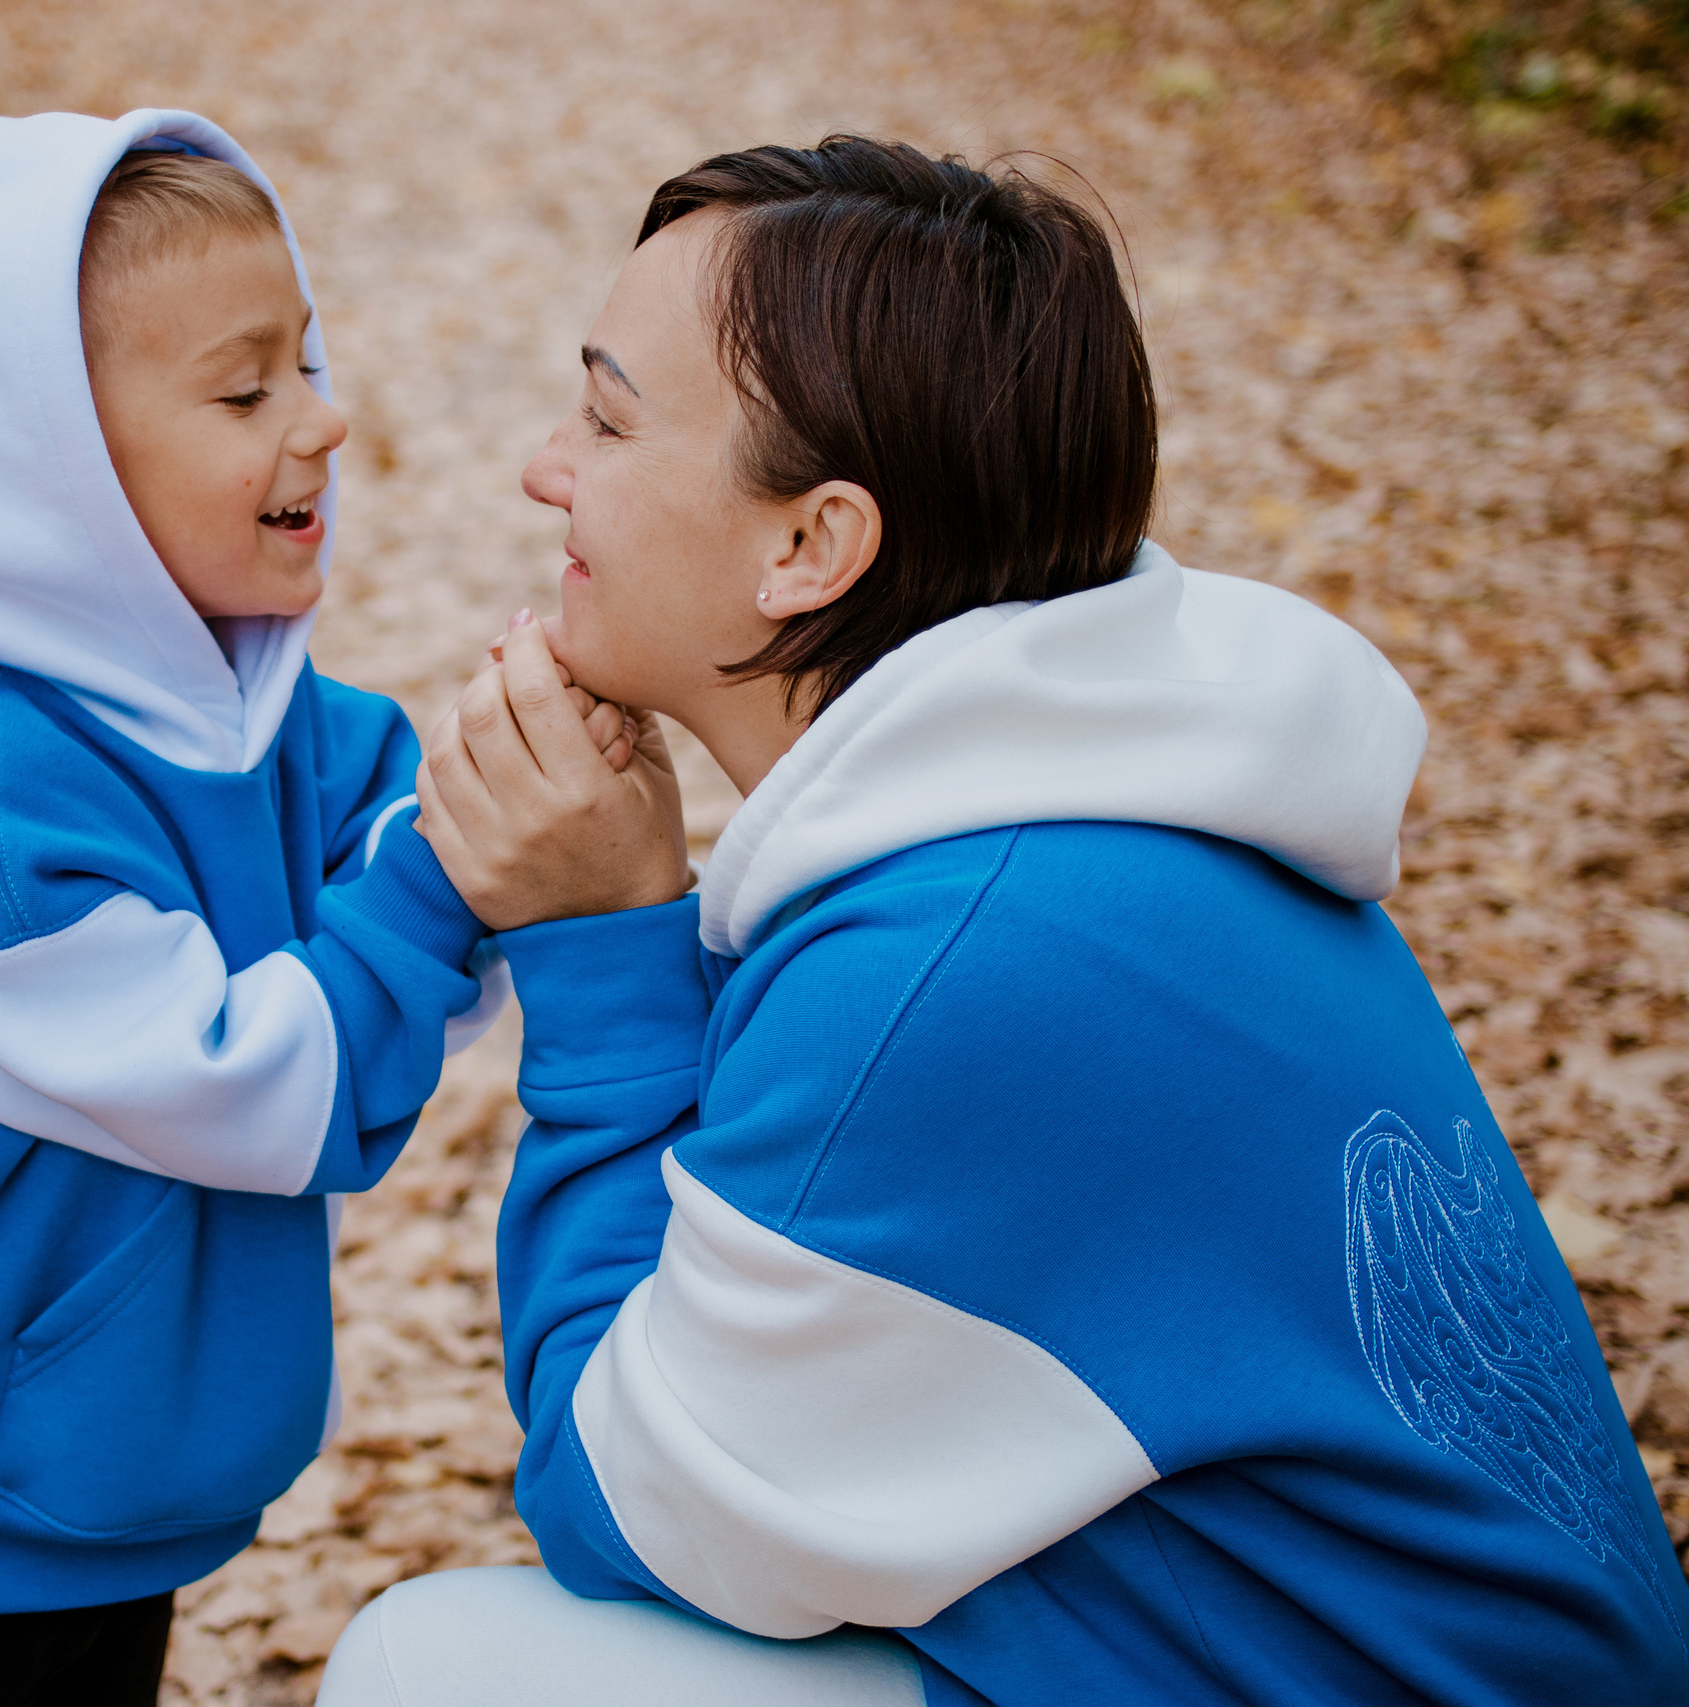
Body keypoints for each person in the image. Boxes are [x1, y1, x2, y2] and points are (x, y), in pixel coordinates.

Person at [320, 137, 1689, 1705]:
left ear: (810, 548)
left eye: (608, 419)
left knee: (435, 1671)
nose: (543, 465)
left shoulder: (957, 962)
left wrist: (604, 958)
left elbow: (627, 1501)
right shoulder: (1079, 815)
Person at [0, 108, 631, 1707]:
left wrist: (514, 815)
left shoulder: (239, 688)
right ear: (47, 468)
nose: (325, 420)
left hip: (108, 1451)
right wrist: (447, 875)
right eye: (245, 389)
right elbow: (242, 1080)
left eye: (308, 360)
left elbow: (397, 849)